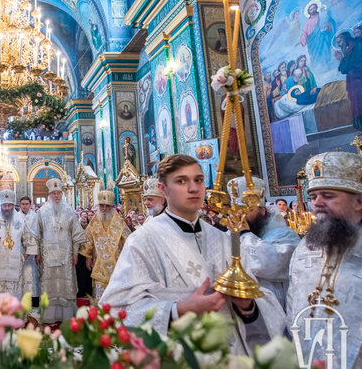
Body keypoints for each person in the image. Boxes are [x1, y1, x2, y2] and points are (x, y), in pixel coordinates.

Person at [100, 154, 285, 356]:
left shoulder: (223, 239)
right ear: (163, 190)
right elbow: (116, 310)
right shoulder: (143, 241)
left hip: (231, 356)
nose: (193, 188)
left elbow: (262, 298)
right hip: (177, 356)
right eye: (181, 181)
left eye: (198, 180)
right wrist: (178, 310)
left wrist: (247, 305)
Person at [286, 152, 362, 368]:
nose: (317, 203)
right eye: (313, 197)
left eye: (327, 196)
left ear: (358, 201)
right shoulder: (305, 247)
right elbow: (292, 305)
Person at [230, 176, 299, 308]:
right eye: (237, 210)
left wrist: (245, 234)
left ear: (262, 211)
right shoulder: (234, 234)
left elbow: (270, 265)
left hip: (276, 305)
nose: (241, 216)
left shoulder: (284, 234)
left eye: (247, 210)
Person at [32, 178, 86, 323]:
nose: (57, 196)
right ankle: (49, 315)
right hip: (47, 254)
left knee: (65, 285)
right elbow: (37, 233)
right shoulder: (42, 211)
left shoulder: (69, 211)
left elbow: (75, 234)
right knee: (49, 285)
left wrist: (75, 253)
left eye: (59, 193)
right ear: (49, 195)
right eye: (54, 193)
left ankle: (66, 315)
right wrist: (37, 253)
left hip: (66, 255)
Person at [0, 190, 36, 299]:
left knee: (14, 292)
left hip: (16, 262)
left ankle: (14, 311)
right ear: (1, 206)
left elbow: (29, 240)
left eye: (9, 205)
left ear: (13, 206)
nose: (7, 208)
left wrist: (24, 257)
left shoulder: (21, 222)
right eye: (4, 205)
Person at [79, 190, 132, 300]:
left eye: (107, 206)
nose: (104, 209)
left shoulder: (119, 221)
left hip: (116, 262)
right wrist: (88, 257)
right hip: (99, 262)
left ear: (112, 207)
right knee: (100, 292)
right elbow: (88, 240)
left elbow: (128, 241)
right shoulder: (95, 221)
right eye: (101, 206)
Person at [18, 196, 40, 301]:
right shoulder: (15, 216)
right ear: (20, 204)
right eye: (23, 204)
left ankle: (33, 298)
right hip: (19, 250)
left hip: (32, 251)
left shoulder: (36, 216)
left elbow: (38, 234)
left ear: (30, 205)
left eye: (27, 204)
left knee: (32, 274)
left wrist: (34, 252)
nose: (24, 206)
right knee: (20, 274)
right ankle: (21, 297)